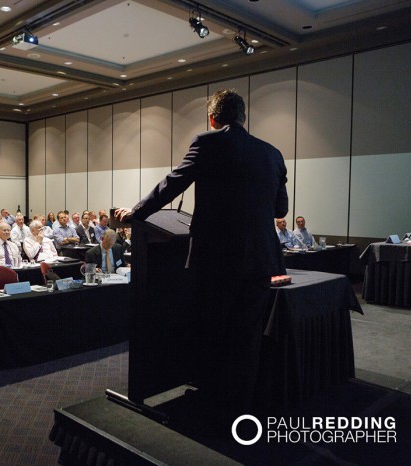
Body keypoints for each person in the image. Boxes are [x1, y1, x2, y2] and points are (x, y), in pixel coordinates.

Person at [116, 89, 288, 427]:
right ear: (243, 117)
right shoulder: (272, 153)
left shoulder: (208, 143)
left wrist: (135, 214)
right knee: (247, 336)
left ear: (212, 118)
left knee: (214, 330)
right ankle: (240, 404)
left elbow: (173, 183)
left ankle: (213, 407)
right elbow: (280, 208)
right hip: (261, 259)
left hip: (218, 259)